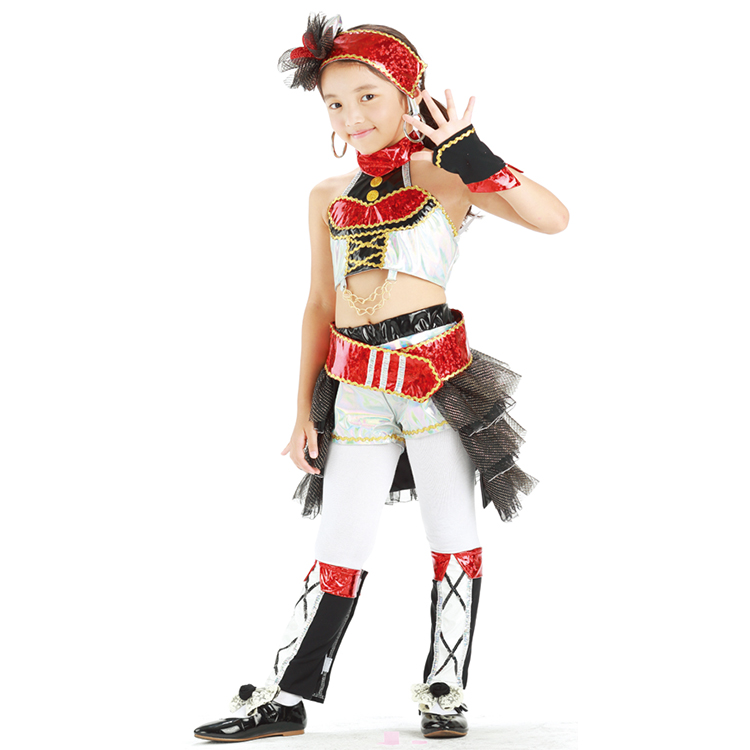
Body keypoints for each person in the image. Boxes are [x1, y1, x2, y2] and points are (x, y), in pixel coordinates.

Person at [194, 13, 568, 743]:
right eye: (335, 102)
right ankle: (286, 695)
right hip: (356, 386)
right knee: (340, 539)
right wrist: (302, 410)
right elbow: (318, 304)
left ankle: (445, 689)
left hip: (434, 379)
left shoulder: (448, 177)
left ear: (409, 94)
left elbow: (552, 219)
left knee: (451, 533)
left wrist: (470, 152)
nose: (351, 115)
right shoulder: (326, 196)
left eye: (368, 96)